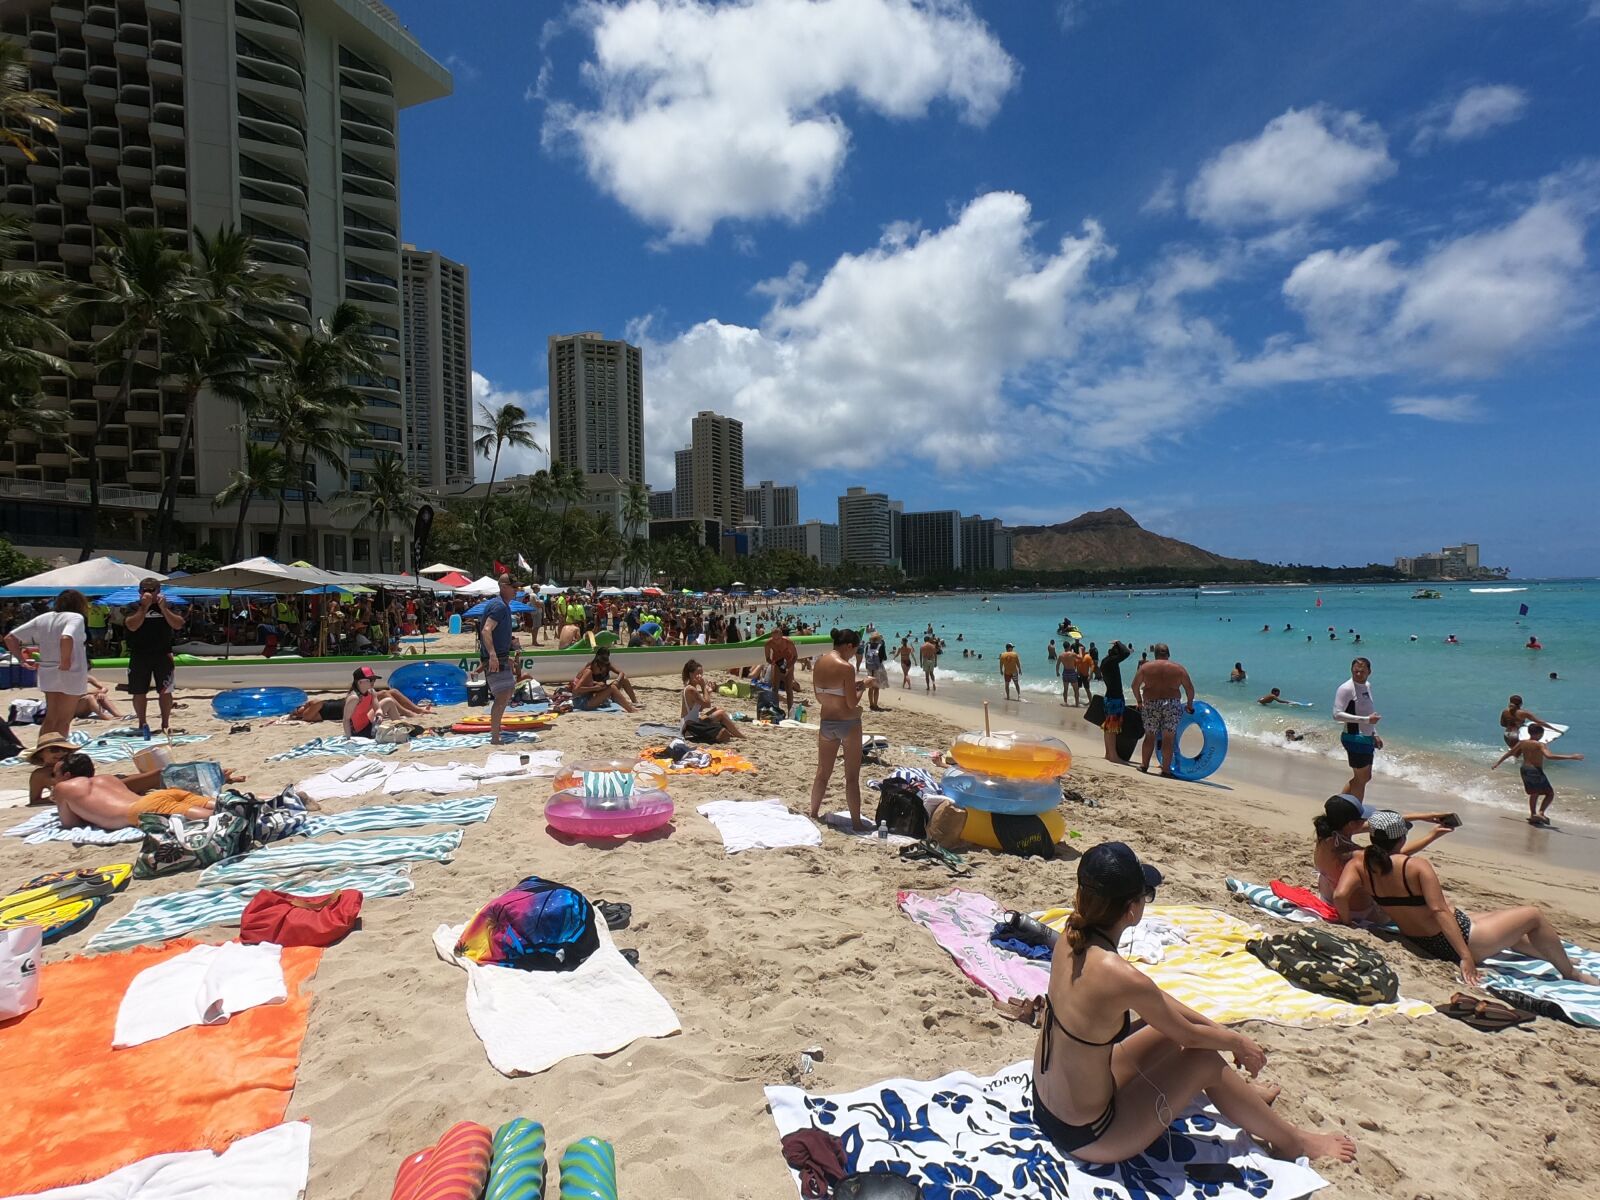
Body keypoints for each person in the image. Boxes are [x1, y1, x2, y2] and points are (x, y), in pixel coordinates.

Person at [1032, 842, 1356, 1166]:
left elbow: (1156, 1000)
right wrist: (1239, 1042)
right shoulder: (1119, 975)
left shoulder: (1071, 935)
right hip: (1089, 1133)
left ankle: (1243, 1098)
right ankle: (1292, 1141)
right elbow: (1187, 1037)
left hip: (1050, 1104)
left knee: (1179, 1031)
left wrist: (1217, 1029)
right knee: (1204, 1061)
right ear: (1132, 909)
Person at [1336, 811, 1600, 988]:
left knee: (1491, 918)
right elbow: (1439, 911)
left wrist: (1348, 923)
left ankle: (1551, 953)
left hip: (1422, 940)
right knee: (1532, 915)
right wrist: (1465, 957)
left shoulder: (1361, 864)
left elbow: (1340, 895)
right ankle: (1571, 973)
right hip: (1459, 943)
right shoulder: (1416, 866)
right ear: (1402, 837)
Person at [1312, 794, 1455, 921]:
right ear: (1351, 824)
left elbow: (1376, 825)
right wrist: (1432, 836)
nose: (1366, 821)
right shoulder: (1357, 856)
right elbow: (1397, 854)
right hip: (1355, 910)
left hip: (1325, 897)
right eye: (1362, 818)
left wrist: (1423, 816)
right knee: (1442, 904)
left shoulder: (1326, 836)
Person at [46, 752, 216, 830]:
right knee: (225, 806)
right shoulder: (107, 778)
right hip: (160, 795)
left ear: (67, 775)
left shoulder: (63, 788)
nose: (53, 779)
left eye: (54, 774)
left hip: (141, 810)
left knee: (219, 819)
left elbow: (71, 825)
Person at [3, 589, 89, 738]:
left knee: (51, 717)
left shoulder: (44, 617)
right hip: (70, 671)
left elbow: (10, 638)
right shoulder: (75, 617)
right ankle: (59, 751)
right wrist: (65, 660)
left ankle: (43, 749)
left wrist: (22, 660)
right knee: (64, 719)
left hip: (47, 668)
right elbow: (66, 637)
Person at [809, 628, 868, 831]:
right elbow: (851, 703)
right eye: (855, 650)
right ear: (849, 646)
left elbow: (821, 697)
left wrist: (853, 688)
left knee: (822, 772)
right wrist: (863, 687)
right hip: (849, 724)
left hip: (826, 722)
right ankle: (857, 823)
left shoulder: (819, 662)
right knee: (851, 776)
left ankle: (814, 812)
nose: (854, 655)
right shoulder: (846, 667)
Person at [123, 577, 185, 738]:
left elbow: (178, 624)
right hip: (139, 654)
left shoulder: (169, 605)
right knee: (139, 691)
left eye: (152, 590)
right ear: (139, 591)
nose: (148, 593)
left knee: (165, 690)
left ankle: (165, 723)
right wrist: (144, 607)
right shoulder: (133, 607)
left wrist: (164, 609)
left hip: (163, 653)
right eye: (145, 590)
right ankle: (142, 723)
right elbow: (132, 625)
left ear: (158, 591)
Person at [1493, 725, 1583, 825]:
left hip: (1524, 769)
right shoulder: (1540, 745)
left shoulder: (1523, 743)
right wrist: (1571, 757)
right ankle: (1540, 813)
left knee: (1534, 793)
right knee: (1549, 793)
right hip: (1535, 770)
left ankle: (1533, 815)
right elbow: (1549, 756)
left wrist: (1498, 763)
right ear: (1540, 734)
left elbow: (1510, 753)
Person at [1130, 643, 1194, 776]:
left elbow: (1134, 686)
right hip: (1171, 705)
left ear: (1155, 654)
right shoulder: (1179, 669)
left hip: (1151, 703)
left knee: (1150, 736)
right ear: (1168, 654)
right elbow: (1189, 689)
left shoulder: (1146, 667)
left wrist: (1139, 701)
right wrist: (1189, 704)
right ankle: (1165, 770)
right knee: (1168, 738)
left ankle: (1144, 766)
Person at [476, 573, 519, 745]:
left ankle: (496, 732)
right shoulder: (499, 606)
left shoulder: (502, 606)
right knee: (502, 695)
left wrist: (506, 652)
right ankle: (495, 737)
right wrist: (493, 655)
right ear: (503, 587)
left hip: (499, 656)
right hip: (495, 657)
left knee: (507, 692)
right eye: (513, 587)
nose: (516, 590)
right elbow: (486, 630)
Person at [1332, 657, 1381, 802]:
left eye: (1362, 671)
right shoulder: (1346, 688)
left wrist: (1374, 733)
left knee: (1364, 777)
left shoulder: (1367, 686)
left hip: (1366, 737)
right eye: (1356, 671)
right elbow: (1336, 715)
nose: (1359, 674)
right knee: (1361, 778)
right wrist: (1366, 720)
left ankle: (1340, 804)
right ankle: (1355, 812)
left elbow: (1367, 710)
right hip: (1353, 737)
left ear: (1369, 672)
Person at [680, 659, 742, 743]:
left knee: (717, 709)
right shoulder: (690, 689)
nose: (700, 676)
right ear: (691, 674)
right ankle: (740, 736)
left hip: (694, 722)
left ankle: (736, 734)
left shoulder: (692, 688)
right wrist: (703, 686)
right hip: (690, 728)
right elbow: (707, 704)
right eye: (697, 674)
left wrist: (708, 693)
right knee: (721, 714)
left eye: (701, 674)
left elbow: (700, 708)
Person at [571, 649, 639, 712]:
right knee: (612, 688)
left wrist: (598, 684)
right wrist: (595, 688)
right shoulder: (588, 671)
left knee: (620, 682)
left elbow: (587, 682)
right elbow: (576, 689)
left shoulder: (603, 665)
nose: (601, 672)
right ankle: (630, 709)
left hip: (587, 698)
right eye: (600, 669)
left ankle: (633, 703)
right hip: (582, 702)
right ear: (596, 664)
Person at [1098, 641, 1131, 763]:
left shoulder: (1105, 662)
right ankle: (1113, 756)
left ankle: (1108, 753)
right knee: (1112, 728)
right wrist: (1119, 642)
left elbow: (1124, 653)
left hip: (1110, 697)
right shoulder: (1111, 662)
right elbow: (1126, 652)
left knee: (1108, 727)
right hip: (1114, 698)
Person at [766, 623, 798, 712]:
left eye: (778, 638)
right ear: (772, 636)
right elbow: (767, 658)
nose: (776, 640)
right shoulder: (769, 643)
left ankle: (790, 710)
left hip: (788, 662)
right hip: (777, 663)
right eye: (774, 638)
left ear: (781, 635)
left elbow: (795, 656)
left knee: (788, 688)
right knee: (775, 687)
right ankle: (775, 708)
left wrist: (788, 667)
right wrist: (771, 663)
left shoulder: (788, 642)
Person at [859, 630, 890, 711]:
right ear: (878, 639)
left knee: (871, 687)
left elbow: (866, 656)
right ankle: (875, 705)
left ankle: (871, 704)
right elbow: (885, 657)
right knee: (876, 688)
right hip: (878, 668)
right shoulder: (881, 646)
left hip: (869, 668)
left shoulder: (868, 646)